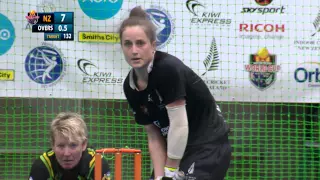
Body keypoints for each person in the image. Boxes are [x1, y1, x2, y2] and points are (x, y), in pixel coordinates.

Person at [120, 6, 232, 180]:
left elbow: (179, 125)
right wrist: (159, 177)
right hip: (178, 148)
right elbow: (154, 135)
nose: (134, 50)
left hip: (208, 146)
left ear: (153, 46)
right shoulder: (130, 87)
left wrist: (169, 173)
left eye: (140, 43)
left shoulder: (167, 69)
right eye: (128, 44)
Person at [29, 112, 111, 180]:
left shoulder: (97, 164)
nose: (66, 154)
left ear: (83, 144)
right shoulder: (42, 165)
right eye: (61, 146)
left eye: (73, 145)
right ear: (52, 145)